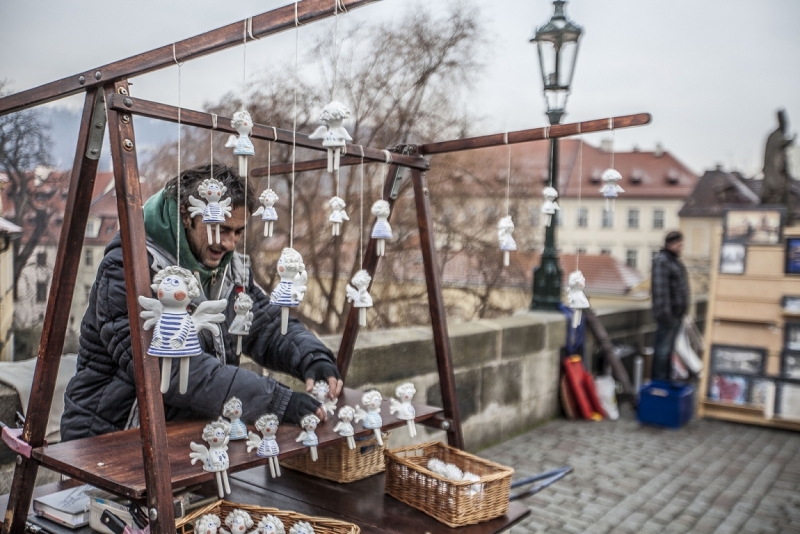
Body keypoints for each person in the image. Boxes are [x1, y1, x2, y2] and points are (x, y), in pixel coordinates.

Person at [61, 164, 342, 441]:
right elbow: (170, 368)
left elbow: (265, 326)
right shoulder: (128, 268)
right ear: (187, 215)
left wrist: (313, 358)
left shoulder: (229, 271)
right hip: (112, 435)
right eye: (220, 229)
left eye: (238, 232)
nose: (230, 243)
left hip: (184, 432)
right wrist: (276, 401)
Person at [650, 230, 689, 381]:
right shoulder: (663, 261)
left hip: (675, 315)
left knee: (668, 352)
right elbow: (661, 291)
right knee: (662, 351)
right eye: (679, 244)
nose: (681, 247)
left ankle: (665, 379)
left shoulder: (672, 260)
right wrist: (667, 316)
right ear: (671, 244)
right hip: (668, 316)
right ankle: (659, 382)